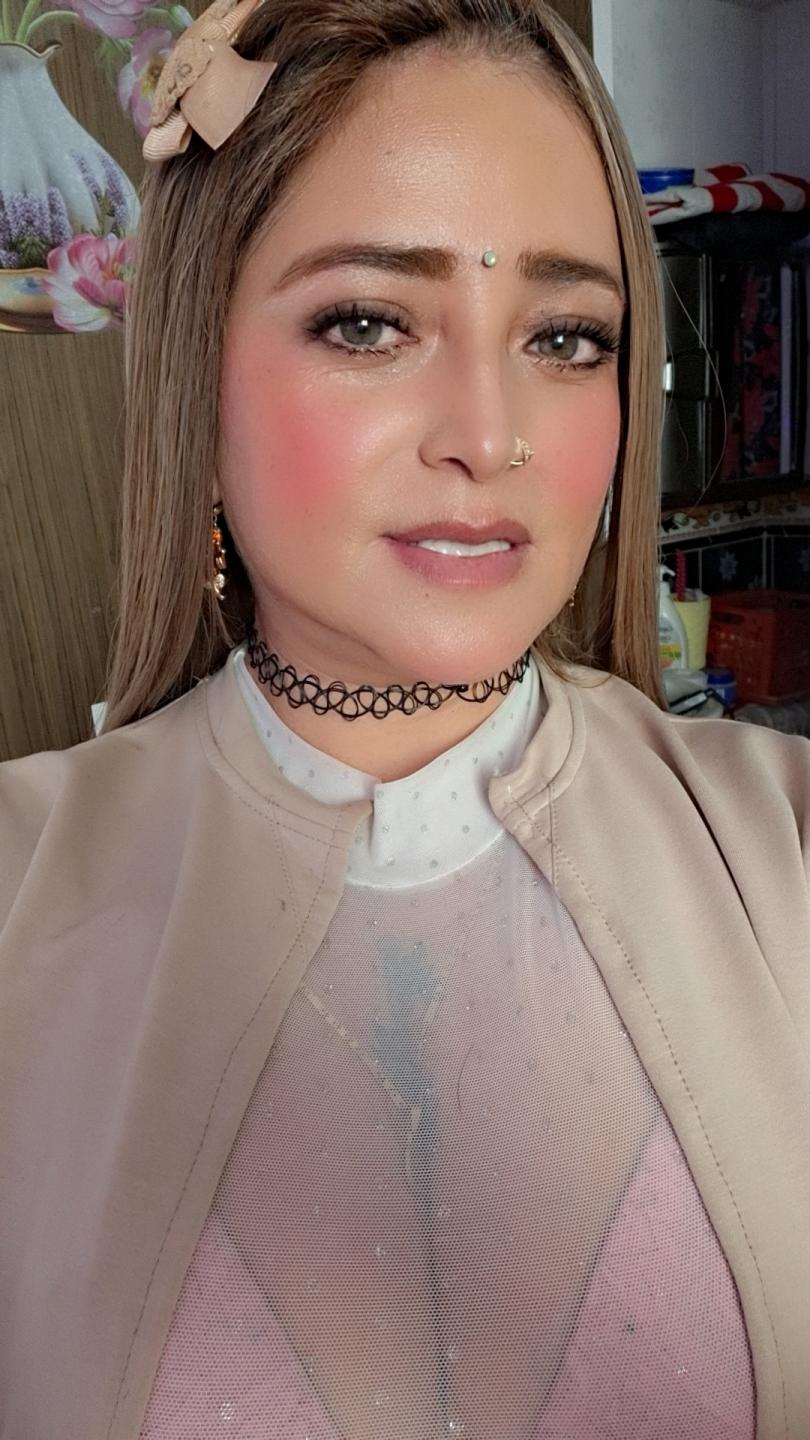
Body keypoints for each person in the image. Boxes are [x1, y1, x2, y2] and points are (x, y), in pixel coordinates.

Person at [1, 1, 809, 1437]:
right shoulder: (20, 888)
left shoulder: (782, 850)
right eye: (367, 322)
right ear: (194, 370)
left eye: (566, 335)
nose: (489, 435)